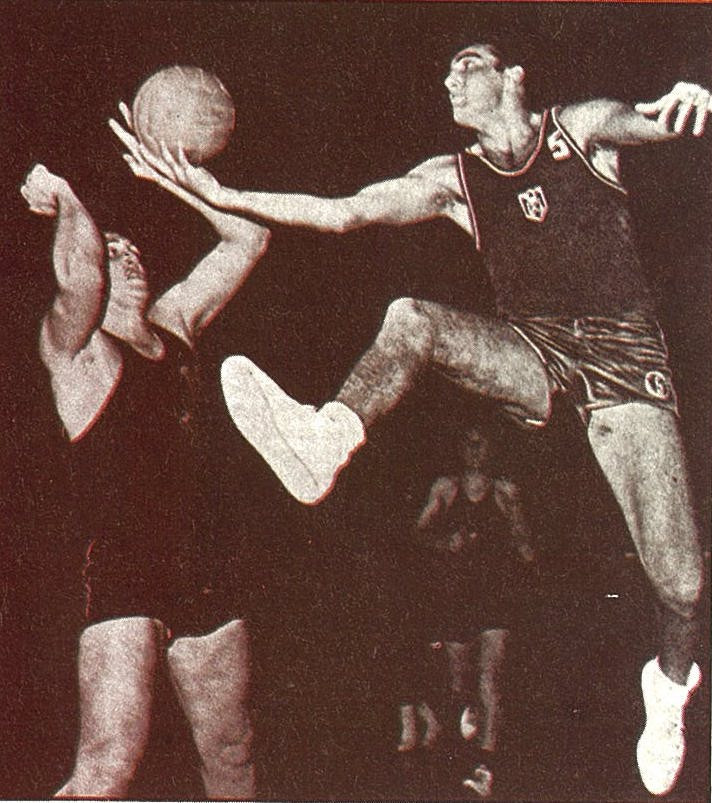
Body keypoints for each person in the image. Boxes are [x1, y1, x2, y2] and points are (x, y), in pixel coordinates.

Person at [111, 48, 710, 796]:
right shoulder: (452, 179)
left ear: (513, 78)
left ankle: (670, 684)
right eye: (448, 72)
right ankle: (327, 437)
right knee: (412, 319)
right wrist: (220, 192)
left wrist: (695, 97)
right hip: (535, 354)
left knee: (682, 586)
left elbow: (657, 121)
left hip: (625, 365)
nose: (451, 79)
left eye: (469, 65)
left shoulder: (579, 129)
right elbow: (345, 212)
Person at [20, 155, 270, 799]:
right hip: (127, 567)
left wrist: (177, 180)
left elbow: (249, 238)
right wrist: (68, 197)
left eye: (132, 248)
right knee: (108, 766)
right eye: (112, 249)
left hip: (205, 561)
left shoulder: (174, 323)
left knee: (233, 752)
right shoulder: (78, 351)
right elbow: (79, 278)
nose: (126, 256)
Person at [397, 425, 535, 798]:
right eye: (467, 442)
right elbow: (415, 534)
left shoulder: (504, 492)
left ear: (493, 448)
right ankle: (463, 718)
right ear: (458, 448)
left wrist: (515, 514)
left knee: (490, 679)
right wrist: (445, 542)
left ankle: (484, 767)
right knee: (459, 685)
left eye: (481, 442)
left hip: (495, 598)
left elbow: (528, 553)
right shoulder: (446, 488)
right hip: (456, 597)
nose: (474, 450)